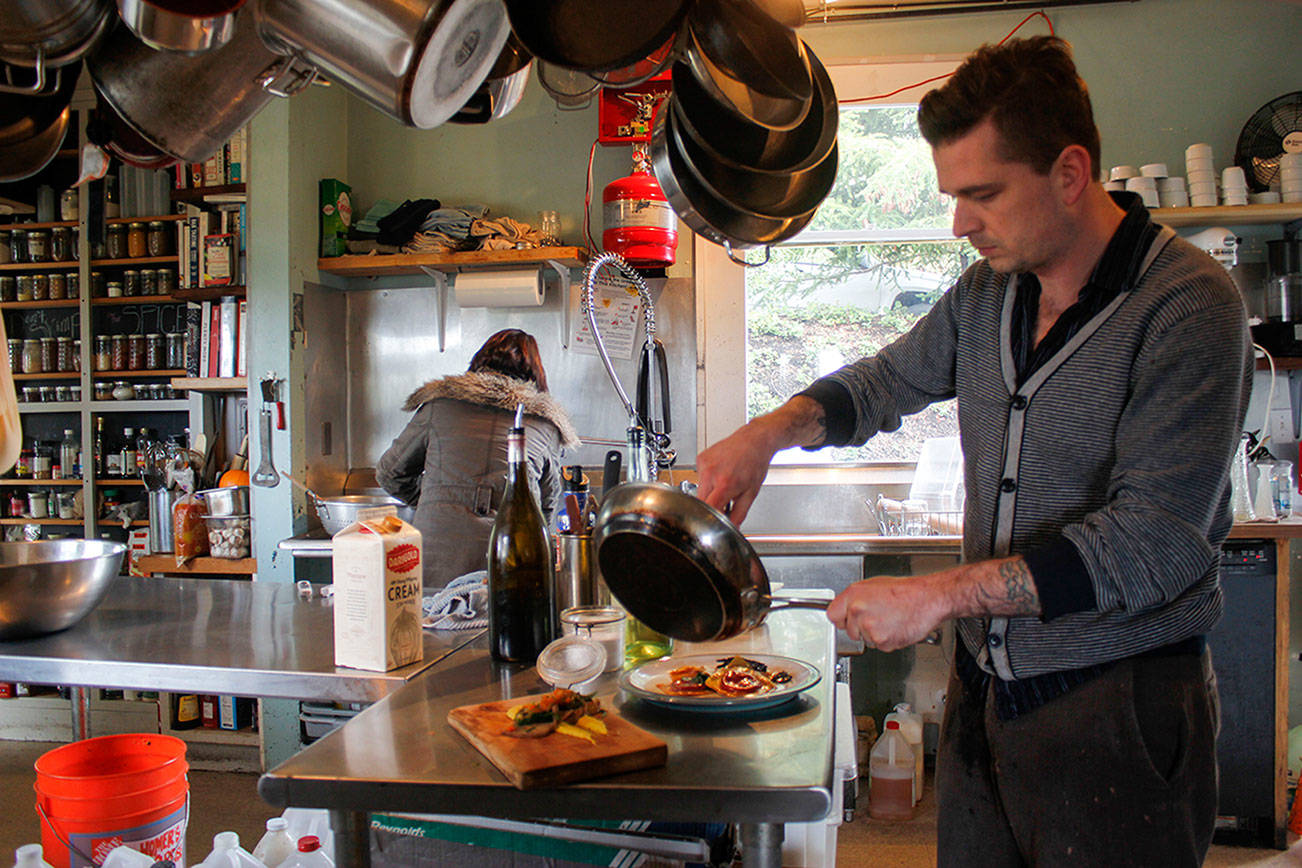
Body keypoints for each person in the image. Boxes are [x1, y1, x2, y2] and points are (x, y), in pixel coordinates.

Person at [697, 36, 1252, 866]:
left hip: (1121, 711)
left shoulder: (1189, 307)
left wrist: (941, 598)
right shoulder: (989, 292)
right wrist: (769, 432)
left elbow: (1156, 542)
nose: (960, 225)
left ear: (1070, 173)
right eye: (953, 195)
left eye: (982, 195)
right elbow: (887, 381)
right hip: (988, 698)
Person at [377, 329, 578, 588]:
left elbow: (389, 473)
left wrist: (438, 500)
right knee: (503, 624)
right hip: (508, 558)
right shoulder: (545, 425)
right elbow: (546, 505)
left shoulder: (438, 407)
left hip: (437, 555)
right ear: (535, 373)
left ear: (479, 362)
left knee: (435, 622)